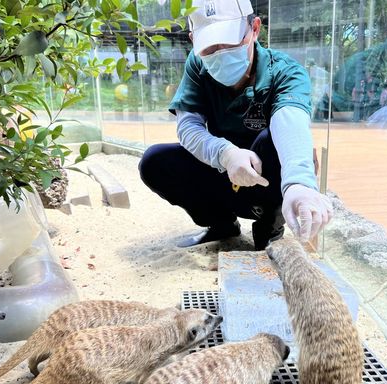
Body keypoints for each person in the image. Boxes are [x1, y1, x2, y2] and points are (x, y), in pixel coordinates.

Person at [139, 0, 332, 250]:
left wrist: (299, 183)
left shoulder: (286, 72)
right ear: (193, 39)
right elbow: (188, 127)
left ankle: (269, 227)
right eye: (209, 47)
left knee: (273, 141)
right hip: (222, 172)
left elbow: (290, 121)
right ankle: (221, 225)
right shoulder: (197, 65)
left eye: (229, 42)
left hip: (267, 184)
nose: (220, 53)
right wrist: (226, 154)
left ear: (254, 28)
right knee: (155, 161)